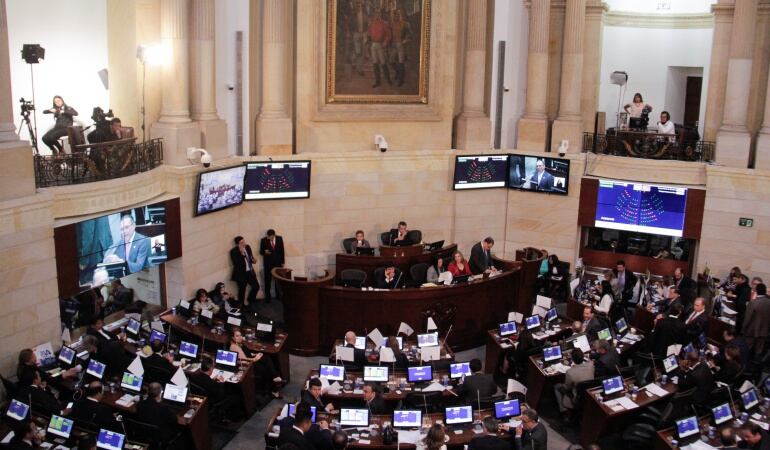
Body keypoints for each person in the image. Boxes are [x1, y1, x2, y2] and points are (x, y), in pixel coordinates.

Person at [230, 328, 284, 398]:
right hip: (248, 366)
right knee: (265, 368)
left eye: (240, 335)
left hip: (251, 360)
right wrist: (255, 359)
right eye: (237, 336)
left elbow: (247, 353)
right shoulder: (234, 347)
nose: (240, 337)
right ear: (233, 338)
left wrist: (255, 354)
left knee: (266, 358)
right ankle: (274, 387)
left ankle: (275, 378)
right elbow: (244, 360)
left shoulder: (240, 343)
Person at [554, 348, 594, 420]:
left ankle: (563, 410)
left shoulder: (570, 372)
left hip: (576, 398)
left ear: (572, 359)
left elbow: (567, 388)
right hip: (589, 395)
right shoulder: (591, 365)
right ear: (583, 357)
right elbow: (589, 361)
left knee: (557, 386)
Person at [230, 236, 260, 307]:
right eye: (242, 243)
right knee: (242, 291)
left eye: (244, 241)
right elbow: (236, 263)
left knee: (256, 286)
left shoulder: (247, 247)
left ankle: (251, 299)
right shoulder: (233, 252)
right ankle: (242, 305)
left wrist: (253, 260)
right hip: (241, 274)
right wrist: (241, 254)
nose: (244, 243)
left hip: (250, 272)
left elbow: (250, 257)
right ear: (237, 244)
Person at [742, 283, 770, 356]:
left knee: (746, 350)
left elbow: (747, 319)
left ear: (756, 291)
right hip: (764, 332)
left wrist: (743, 330)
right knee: (758, 352)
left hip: (752, 331)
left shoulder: (753, 303)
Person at [368, 9, 392, 88]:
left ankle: (388, 80)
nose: (377, 15)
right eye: (375, 13)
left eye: (378, 13)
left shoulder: (384, 23)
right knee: (375, 63)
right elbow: (369, 33)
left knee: (383, 63)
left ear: (380, 14)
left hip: (380, 45)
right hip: (373, 45)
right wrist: (369, 41)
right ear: (374, 15)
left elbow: (389, 35)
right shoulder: (371, 23)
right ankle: (377, 81)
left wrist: (385, 42)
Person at [259, 229, 285, 301]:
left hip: (277, 263)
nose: (268, 238)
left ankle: (278, 296)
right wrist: (265, 252)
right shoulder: (263, 240)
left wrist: (282, 262)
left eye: (270, 237)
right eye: (267, 236)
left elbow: (282, 250)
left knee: (278, 280)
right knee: (267, 280)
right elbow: (261, 251)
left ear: (273, 235)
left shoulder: (279, 238)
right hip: (268, 264)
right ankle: (268, 297)